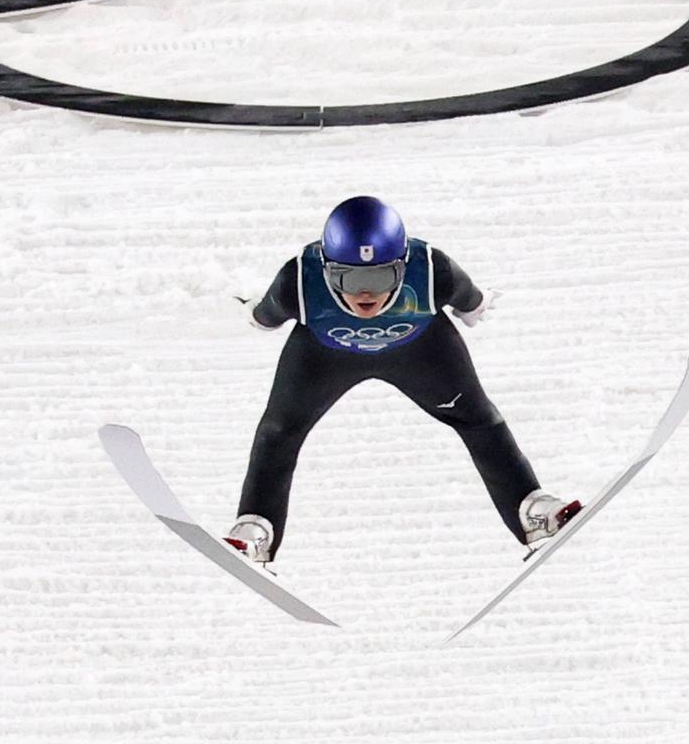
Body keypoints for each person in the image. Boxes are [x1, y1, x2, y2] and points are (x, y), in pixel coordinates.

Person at [228, 196, 578, 564]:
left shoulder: (431, 270)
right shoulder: (298, 280)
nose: (366, 293)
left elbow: (468, 296)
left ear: (403, 267)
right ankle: (256, 530)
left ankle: (531, 509)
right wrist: (253, 312)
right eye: (350, 277)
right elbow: (267, 313)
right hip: (323, 355)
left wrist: (477, 303)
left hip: (420, 351)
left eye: (381, 276)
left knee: (480, 420)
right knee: (278, 431)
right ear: (327, 269)